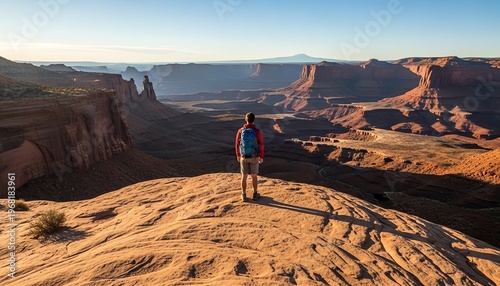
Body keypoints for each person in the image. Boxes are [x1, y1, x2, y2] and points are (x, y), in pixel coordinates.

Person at [235, 112, 264, 202]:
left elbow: (237, 143)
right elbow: (261, 144)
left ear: (246, 119)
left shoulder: (241, 131)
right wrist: (261, 156)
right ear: (253, 120)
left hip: (244, 156)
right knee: (254, 176)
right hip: (254, 156)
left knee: (244, 176)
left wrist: (238, 155)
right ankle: (255, 194)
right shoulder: (257, 131)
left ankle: (243, 195)